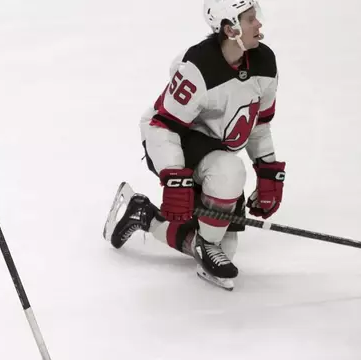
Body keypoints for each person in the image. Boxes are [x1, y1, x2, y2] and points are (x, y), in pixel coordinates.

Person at [103, 0, 285, 290]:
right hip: (172, 140)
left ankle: (145, 215)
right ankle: (206, 242)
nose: (259, 24)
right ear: (229, 28)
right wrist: (174, 176)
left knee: (224, 248)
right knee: (228, 173)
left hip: (214, 148)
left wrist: (266, 170)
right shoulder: (198, 67)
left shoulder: (265, 63)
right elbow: (164, 126)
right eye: (250, 19)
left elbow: (259, 124)